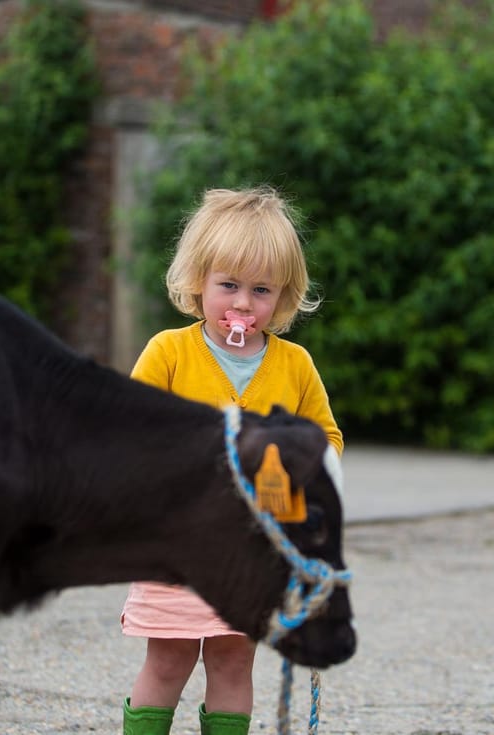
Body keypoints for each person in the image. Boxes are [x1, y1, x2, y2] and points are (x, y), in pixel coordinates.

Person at [120, 186, 343, 735]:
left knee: (233, 660)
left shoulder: (294, 366)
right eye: (228, 286)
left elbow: (327, 438)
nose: (243, 304)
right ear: (199, 281)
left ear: (283, 296)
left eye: (260, 290)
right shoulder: (169, 353)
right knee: (169, 660)